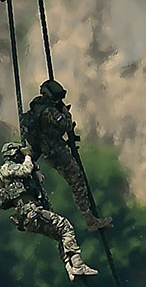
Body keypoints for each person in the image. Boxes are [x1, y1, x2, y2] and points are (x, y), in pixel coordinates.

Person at [0, 142, 95, 280]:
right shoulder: (7, 168)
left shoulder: (14, 172)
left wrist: (36, 170)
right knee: (65, 226)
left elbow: (30, 173)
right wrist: (29, 157)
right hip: (30, 212)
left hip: (29, 214)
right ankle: (77, 264)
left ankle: (70, 268)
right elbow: (25, 169)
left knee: (60, 235)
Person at [18, 81, 108, 230]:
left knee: (75, 179)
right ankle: (90, 219)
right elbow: (66, 125)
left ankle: (90, 218)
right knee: (76, 180)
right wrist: (66, 113)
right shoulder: (50, 112)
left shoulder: (37, 106)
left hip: (47, 149)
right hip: (56, 152)